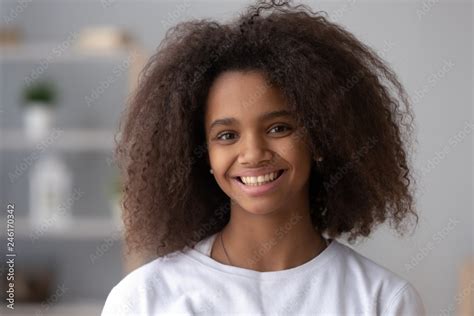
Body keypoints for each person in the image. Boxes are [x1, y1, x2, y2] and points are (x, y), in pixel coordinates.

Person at [101, 0, 426, 314]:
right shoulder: (143, 300)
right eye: (227, 136)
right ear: (202, 155)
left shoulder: (383, 300)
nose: (254, 154)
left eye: (279, 128)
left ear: (321, 138)